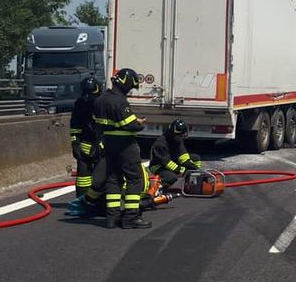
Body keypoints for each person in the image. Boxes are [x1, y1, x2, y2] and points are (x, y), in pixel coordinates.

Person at [93, 68, 150, 229]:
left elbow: (101, 122)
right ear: (126, 84)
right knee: (134, 178)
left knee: (113, 178)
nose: (131, 90)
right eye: (131, 87)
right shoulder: (120, 101)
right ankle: (130, 217)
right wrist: (139, 123)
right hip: (125, 145)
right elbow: (130, 125)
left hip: (108, 143)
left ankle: (112, 217)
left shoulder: (99, 100)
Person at [66, 77, 106, 216]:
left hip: (103, 146)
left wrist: (101, 145)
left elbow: (108, 127)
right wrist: (75, 143)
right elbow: (75, 126)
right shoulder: (80, 103)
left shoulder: (104, 103)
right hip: (85, 144)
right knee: (83, 175)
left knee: (102, 177)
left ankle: (100, 204)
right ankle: (81, 203)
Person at [148, 118, 201, 199]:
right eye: (180, 136)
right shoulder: (160, 143)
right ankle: (158, 190)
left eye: (182, 136)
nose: (181, 138)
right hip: (158, 166)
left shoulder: (178, 140)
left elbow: (183, 156)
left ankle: (192, 185)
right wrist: (179, 169)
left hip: (172, 162)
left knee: (195, 158)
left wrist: (195, 168)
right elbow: (165, 162)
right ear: (172, 134)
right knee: (171, 177)